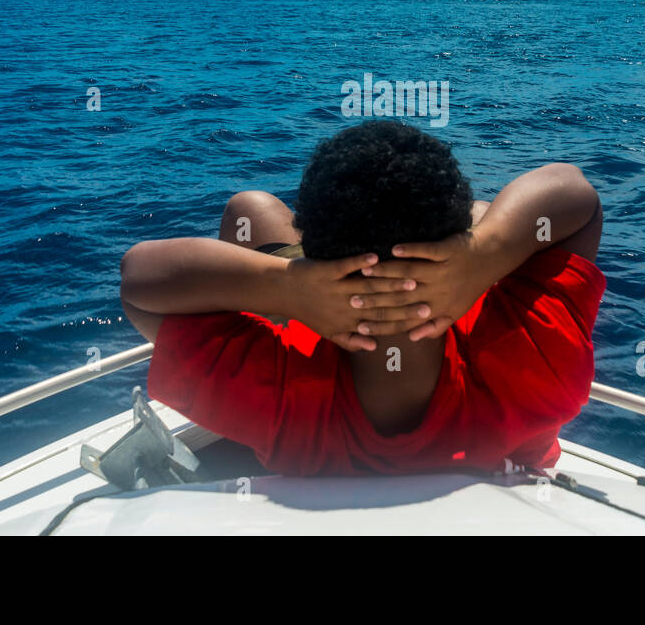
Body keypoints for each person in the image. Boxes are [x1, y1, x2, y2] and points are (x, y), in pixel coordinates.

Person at [119, 120, 605, 475]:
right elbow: (575, 194)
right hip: (496, 413)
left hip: (314, 301)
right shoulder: (539, 366)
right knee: (488, 212)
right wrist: (486, 252)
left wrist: (288, 288)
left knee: (249, 208)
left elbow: (139, 279)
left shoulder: (276, 399)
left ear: (313, 247)